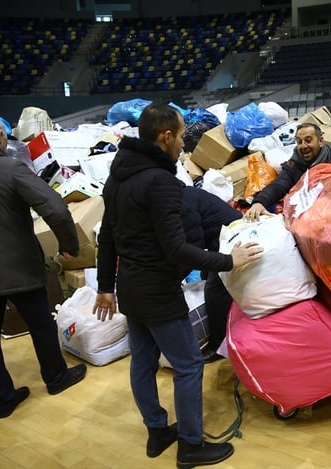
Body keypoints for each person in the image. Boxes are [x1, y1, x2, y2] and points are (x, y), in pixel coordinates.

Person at [92, 102, 263, 468]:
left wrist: (105, 285)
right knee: (188, 365)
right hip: (158, 291)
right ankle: (190, 444)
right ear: (166, 137)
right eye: (183, 136)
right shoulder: (162, 183)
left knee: (142, 362)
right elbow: (178, 249)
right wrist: (229, 261)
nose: (185, 143)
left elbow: (107, 238)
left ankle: (156, 431)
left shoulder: (117, 177)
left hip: (130, 288)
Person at [0, 115, 87, 419]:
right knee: (40, 324)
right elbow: (55, 209)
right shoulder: (9, 168)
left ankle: (2, 400)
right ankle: (56, 377)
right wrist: (69, 246)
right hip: (17, 265)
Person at [180, 185, 242, 363]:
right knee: (206, 278)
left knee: (214, 291)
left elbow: (194, 246)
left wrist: (175, 278)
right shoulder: (186, 194)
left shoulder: (183, 202)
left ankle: (218, 345)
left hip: (232, 240)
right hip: (219, 241)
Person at [245, 122, 331, 221]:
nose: (303, 146)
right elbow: (279, 185)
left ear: (320, 141)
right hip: (304, 218)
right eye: (299, 142)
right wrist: (260, 202)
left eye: (308, 140)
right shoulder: (294, 165)